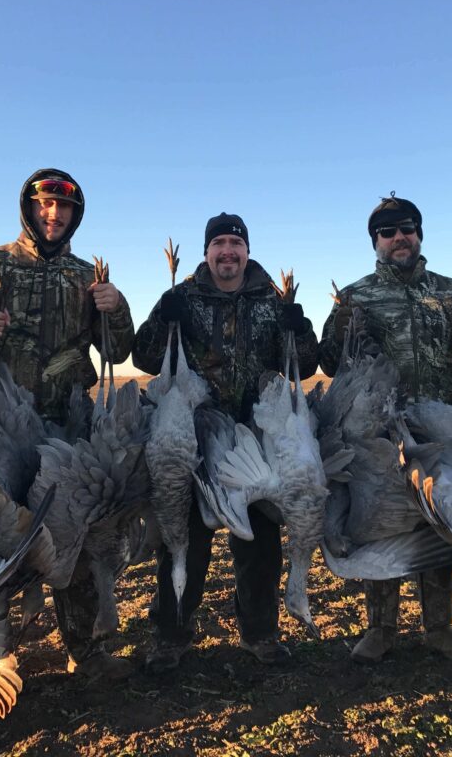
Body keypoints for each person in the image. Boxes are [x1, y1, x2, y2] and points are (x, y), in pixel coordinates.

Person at [0, 168, 135, 681]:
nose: (54, 214)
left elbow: (118, 351)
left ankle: (84, 653)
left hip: (67, 427)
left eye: (64, 208)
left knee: (76, 541)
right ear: (29, 208)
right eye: (45, 205)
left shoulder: (88, 276)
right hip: (0, 426)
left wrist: (117, 308)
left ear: (74, 215)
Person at [132, 212, 318, 673]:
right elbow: (145, 357)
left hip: (254, 441)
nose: (228, 251)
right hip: (193, 437)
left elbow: (307, 366)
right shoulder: (181, 296)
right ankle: (171, 636)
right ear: (207, 252)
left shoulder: (272, 302)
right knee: (183, 542)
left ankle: (260, 633)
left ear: (247, 251)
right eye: (219, 243)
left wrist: (301, 328)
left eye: (236, 243)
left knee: (259, 545)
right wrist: (162, 321)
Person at [318, 193, 452, 666]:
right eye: (387, 232)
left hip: (441, 425)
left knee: (441, 517)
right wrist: (338, 330)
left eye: (406, 229)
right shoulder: (354, 294)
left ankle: (440, 628)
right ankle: (380, 628)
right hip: (380, 432)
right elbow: (331, 365)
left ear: (419, 233)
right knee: (377, 521)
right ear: (376, 242)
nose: (398, 239)